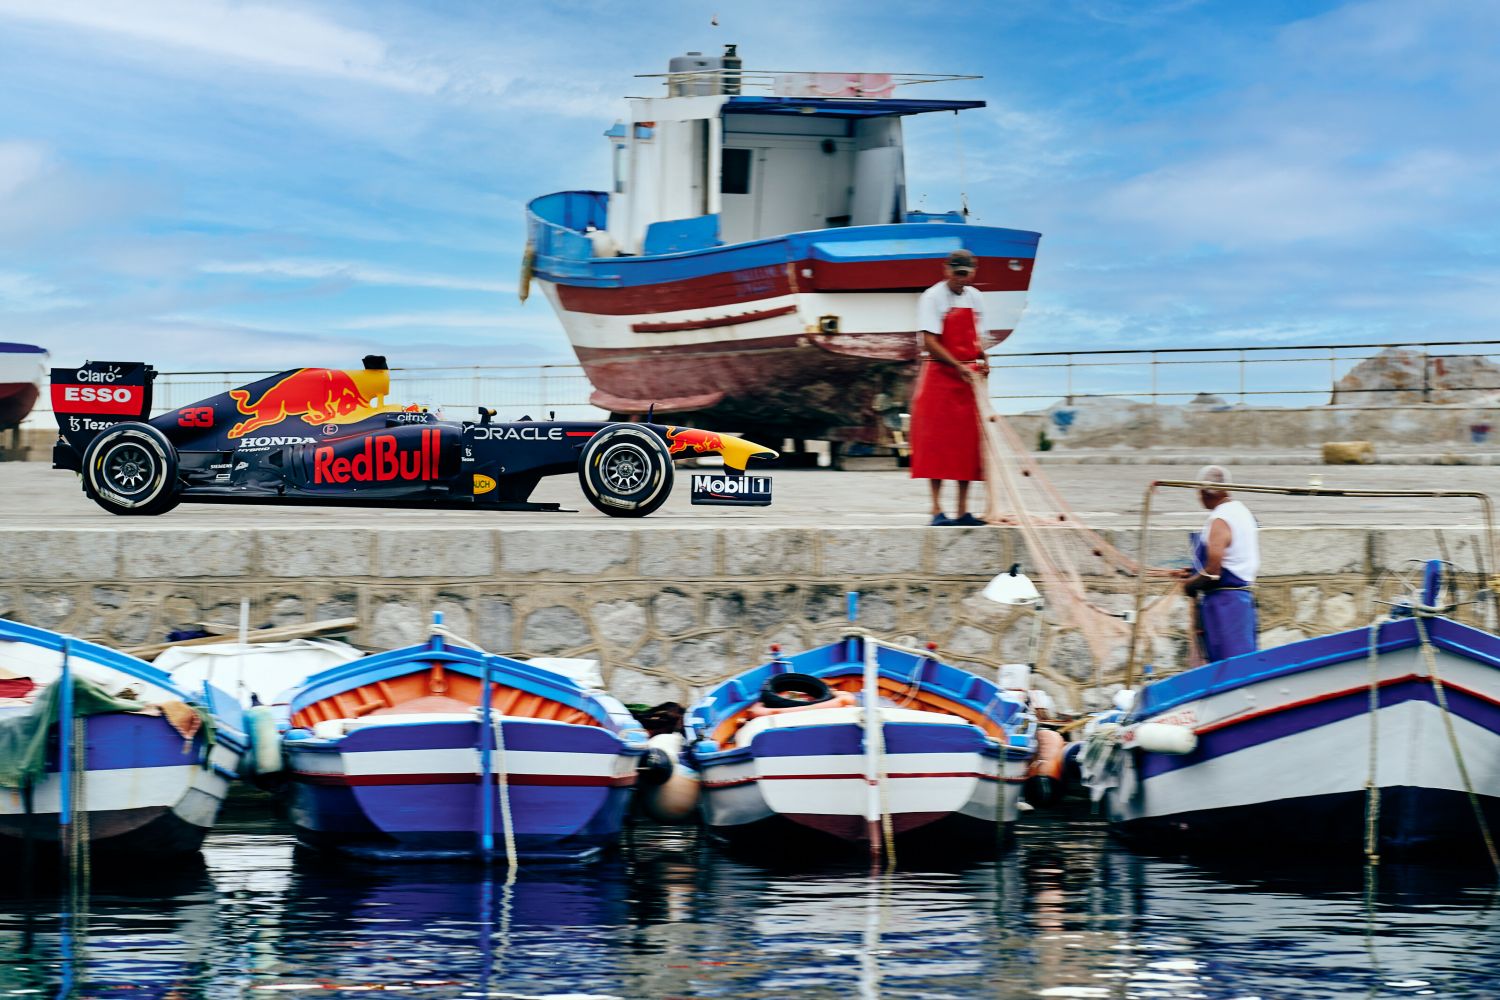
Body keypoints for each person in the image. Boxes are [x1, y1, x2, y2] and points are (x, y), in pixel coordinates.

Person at [910, 248, 989, 526]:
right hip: (939, 376)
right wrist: (959, 366)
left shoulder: (975, 297)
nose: (960, 279)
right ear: (946, 270)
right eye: (956, 274)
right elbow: (930, 341)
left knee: (966, 445)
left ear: (972, 273)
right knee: (937, 444)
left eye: (965, 274)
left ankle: (963, 510)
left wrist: (984, 359)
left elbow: (976, 338)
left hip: (967, 377)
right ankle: (936, 510)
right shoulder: (932, 297)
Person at [1178, 465, 1260, 661]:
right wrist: (1195, 571)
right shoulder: (1242, 512)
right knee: (1244, 662)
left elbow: (1213, 571)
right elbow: (1233, 559)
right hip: (1242, 601)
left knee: (1230, 665)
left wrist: (1190, 585)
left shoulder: (1220, 519)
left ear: (1205, 492)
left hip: (1225, 606)